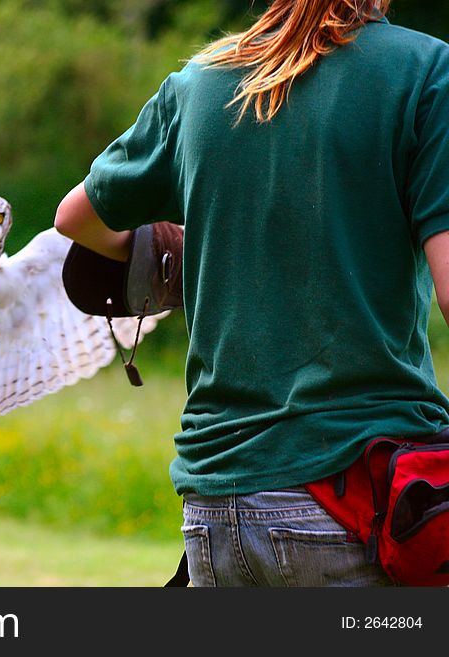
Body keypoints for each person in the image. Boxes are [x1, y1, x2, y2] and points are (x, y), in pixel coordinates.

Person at [54, 0, 449, 586]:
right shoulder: (425, 70)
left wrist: (182, 249)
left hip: (214, 508)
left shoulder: (199, 82)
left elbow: (76, 218)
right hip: (352, 497)